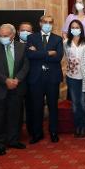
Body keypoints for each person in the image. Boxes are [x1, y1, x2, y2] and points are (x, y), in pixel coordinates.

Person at [0, 24, 29, 156]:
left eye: (5, 36)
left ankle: (13, 140)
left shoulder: (23, 47)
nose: (2, 38)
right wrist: (6, 80)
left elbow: (26, 66)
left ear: (13, 35)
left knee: (15, 115)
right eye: (0, 35)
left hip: (17, 86)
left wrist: (17, 79)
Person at [26, 15, 64, 144]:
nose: (48, 24)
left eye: (50, 22)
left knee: (53, 106)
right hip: (36, 78)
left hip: (52, 78)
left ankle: (53, 132)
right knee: (37, 107)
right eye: (45, 22)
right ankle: (38, 133)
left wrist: (38, 53)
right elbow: (30, 55)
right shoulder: (31, 37)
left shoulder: (58, 39)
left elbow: (58, 57)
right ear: (40, 23)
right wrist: (48, 53)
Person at [64, 19, 85, 138]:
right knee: (75, 104)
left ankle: (84, 126)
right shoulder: (66, 42)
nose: (75, 29)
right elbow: (66, 56)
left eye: (77, 27)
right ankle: (77, 126)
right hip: (71, 76)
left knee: (83, 103)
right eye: (73, 27)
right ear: (70, 29)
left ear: (81, 28)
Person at [17, 22, 33, 136]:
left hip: (32, 81)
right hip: (17, 81)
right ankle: (16, 132)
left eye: (28, 31)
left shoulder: (36, 44)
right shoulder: (13, 45)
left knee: (32, 107)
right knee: (17, 108)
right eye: (23, 30)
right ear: (18, 32)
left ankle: (32, 131)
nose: (25, 33)